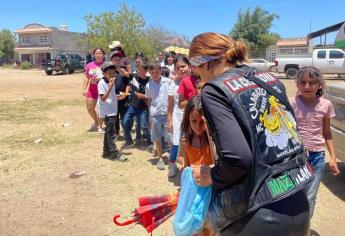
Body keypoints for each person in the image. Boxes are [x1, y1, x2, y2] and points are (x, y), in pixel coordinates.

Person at [189, 32, 312, 235]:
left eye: (196, 71)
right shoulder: (269, 79)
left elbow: (239, 159)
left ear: (205, 63)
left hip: (257, 215)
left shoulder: (214, 90)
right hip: (298, 201)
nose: (198, 76)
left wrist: (211, 174)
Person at [289, 66, 340, 217]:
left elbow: (327, 133)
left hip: (316, 157)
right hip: (294, 158)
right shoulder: (291, 103)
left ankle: (304, 229)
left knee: (310, 196)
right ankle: (292, 227)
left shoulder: (325, 105)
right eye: (303, 82)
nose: (307, 86)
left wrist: (333, 158)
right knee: (293, 195)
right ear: (297, 84)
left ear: (319, 84)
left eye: (312, 82)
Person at [179, 95, 214, 236]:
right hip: (195, 194)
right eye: (193, 121)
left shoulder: (214, 140)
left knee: (211, 228)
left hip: (212, 192)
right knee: (195, 228)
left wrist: (210, 133)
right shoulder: (185, 141)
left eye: (202, 122)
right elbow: (184, 159)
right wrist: (182, 163)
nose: (198, 126)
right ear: (187, 119)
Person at [97, 61, 128, 162]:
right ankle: (114, 153)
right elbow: (103, 98)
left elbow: (110, 96)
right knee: (111, 133)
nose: (111, 74)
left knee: (108, 131)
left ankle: (106, 151)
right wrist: (110, 87)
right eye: (109, 73)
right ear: (104, 73)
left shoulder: (111, 81)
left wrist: (117, 97)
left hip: (112, 110)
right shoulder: (102, 83)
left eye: (113, 72)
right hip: (107, 111)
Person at [167, 56, 191, 177]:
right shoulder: (173, 84)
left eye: (183, 66)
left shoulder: (196, 80)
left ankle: (188, 166)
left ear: (189, 66)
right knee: (176, 142)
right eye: (178, 68)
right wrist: (170, 120)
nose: (181, 69)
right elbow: (170, 104)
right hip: (178, 117)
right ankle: (172, 164)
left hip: (192, 118)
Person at [145, 63, 170, 170]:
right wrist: (150, 115)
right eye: (152, 73)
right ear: (149, 73)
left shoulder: (168, 82)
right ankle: (160, 158)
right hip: (155, 114)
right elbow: (149, 100)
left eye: (157, 72)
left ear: (161, 71)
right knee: (157, 138)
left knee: (170, 138)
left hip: (167, 113)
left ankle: (173, 158)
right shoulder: (148, 85)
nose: (155, 75)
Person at [122, 59, 151, 148]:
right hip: (133, 106)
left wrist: (143, 96)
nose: (138, 70)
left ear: (146, 71)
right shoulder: (134, 76)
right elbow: (125, 74)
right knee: (125, 123)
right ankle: (129, 141)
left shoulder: (150, 81)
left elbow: (152, 96)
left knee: (144, 126)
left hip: (143, 108)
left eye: (140, 69)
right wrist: (117, 67)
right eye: (137, 68)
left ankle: (151, 141)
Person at [110, 51, 131, 137]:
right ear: (111, 60)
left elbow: (128, 81)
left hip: (123, 98)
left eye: (119, 60)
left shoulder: (123, 70)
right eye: (115, 59)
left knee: (125, 118)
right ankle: (117, 134)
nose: (117, 61)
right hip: (113, 98)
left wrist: (126, 93)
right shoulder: (108, 71)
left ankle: (127, 133)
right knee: (114, 118)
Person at [83, 48, 105, 132]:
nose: (98, 55)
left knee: (101, 108)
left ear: (103, 55)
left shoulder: (106, 65)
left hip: (103, 89)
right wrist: (84, 89)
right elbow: (86, 77)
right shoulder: (89, 65)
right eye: (96, 53)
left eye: (100, 53)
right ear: (94, 54)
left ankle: (100, 126)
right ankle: (96, 122)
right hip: (92, 89)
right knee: (89, 108)